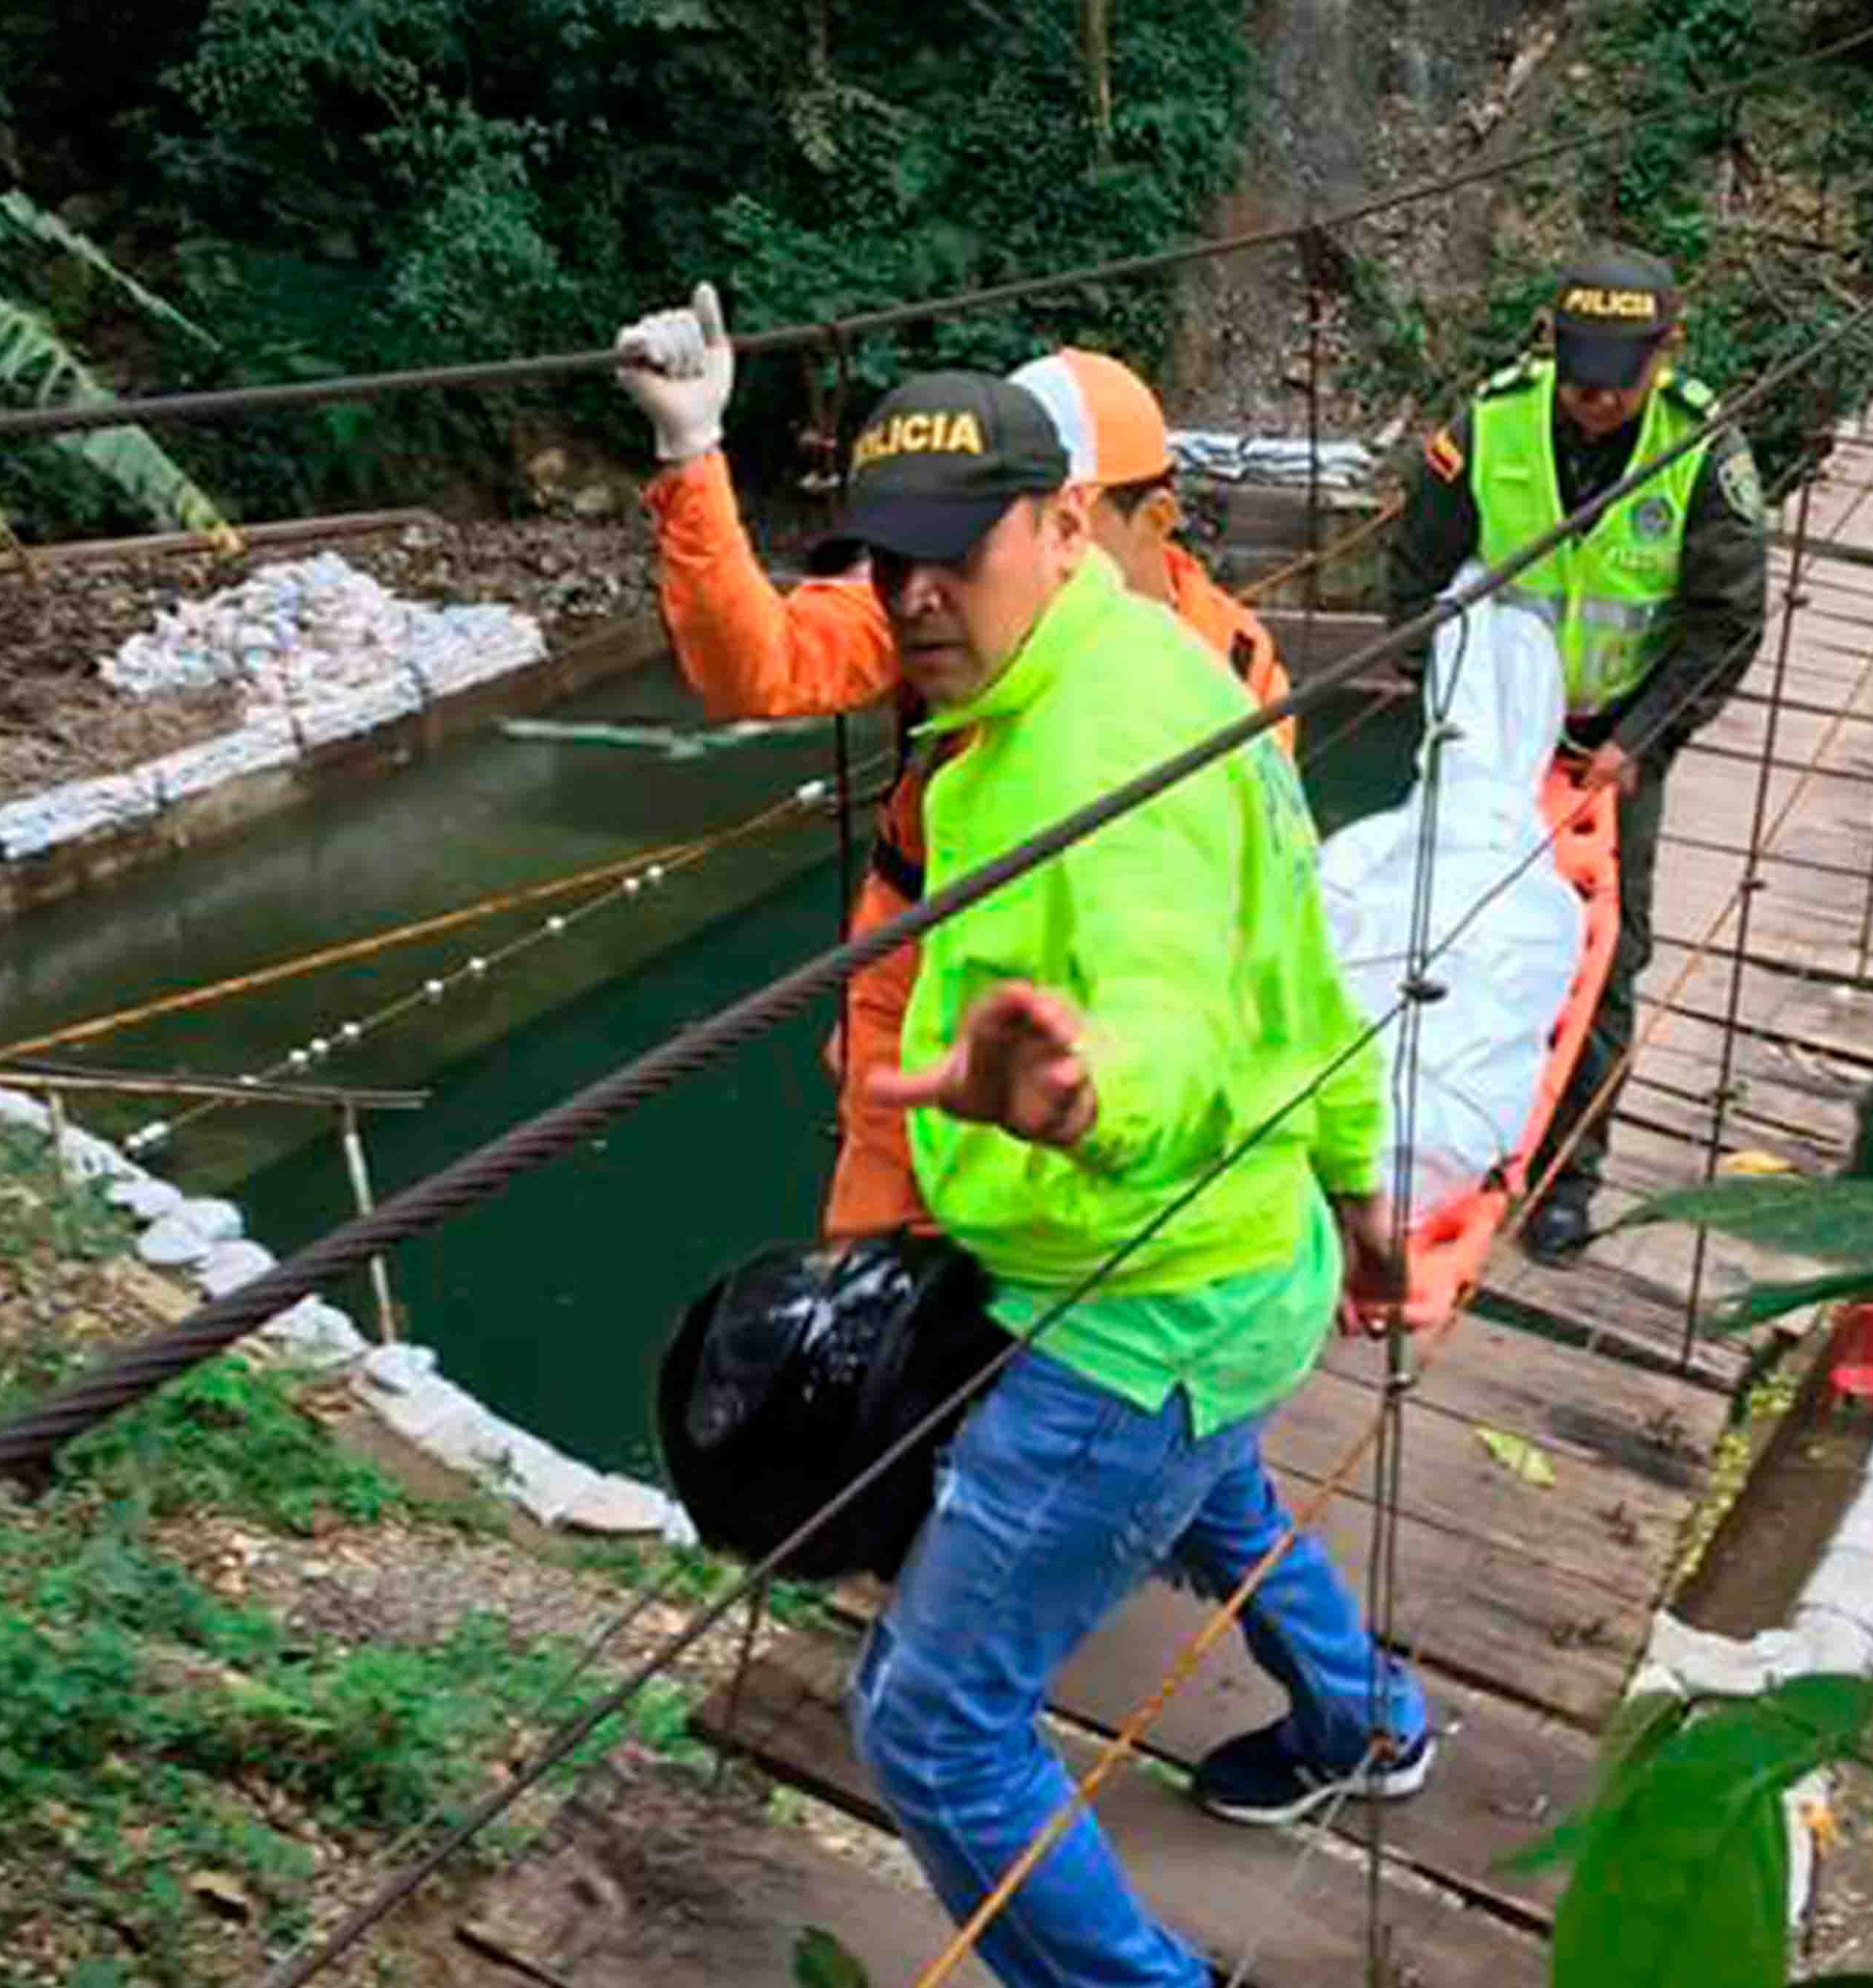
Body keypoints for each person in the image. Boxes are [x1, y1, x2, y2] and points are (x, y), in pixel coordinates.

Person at [822, 367, 1431, 1988]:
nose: (917, 594)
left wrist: (1090, 1109)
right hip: (1246, 1261)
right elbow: (1295, 964)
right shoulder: (1160, 670)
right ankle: (1371, 1717)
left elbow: (1157, 1013)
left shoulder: (1091, 765)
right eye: (887, 558)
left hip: (1131, 1300)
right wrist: (1364, 1208)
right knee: (1215, 1492)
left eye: (958, 549)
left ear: (1062, 520)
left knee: (932, 1721)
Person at [613, 285, 1292, 1244]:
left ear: (1137, 519)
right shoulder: (939, 610)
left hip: (1107, 1023)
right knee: (878, 1280)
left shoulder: (1232, 670)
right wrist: (693, 452)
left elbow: (1253, 913)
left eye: (1048, 522)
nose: (992, 563)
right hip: (925, 986)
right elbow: (757, 664)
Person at [1385, 244, 1768, 1266]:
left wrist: (1644, 740)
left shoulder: (1700, 451)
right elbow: (1413, 585)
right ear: (1550, 346)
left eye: (1619, 381)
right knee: (1444, 931)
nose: (1595, 402)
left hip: (1618, 736)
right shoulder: (1488, 428)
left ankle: (1565, 1175)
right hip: (1491, 734)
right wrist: (1459, 713)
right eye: (1580, 375)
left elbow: (1726, 621)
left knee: (1609, 956)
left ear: (1667, 353)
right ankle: (1432, 1148)